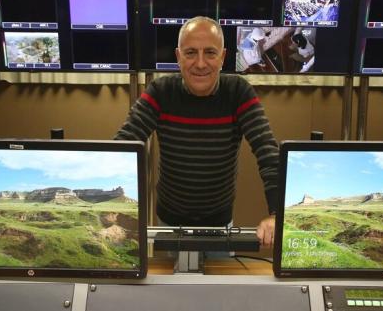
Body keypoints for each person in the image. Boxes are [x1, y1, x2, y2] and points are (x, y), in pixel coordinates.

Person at [115, 16, 278, 247]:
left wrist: (277, 213)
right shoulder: (160, 91)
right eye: (191, 52)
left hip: (220, 225)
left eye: (210, 53)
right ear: (178, 57)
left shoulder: (239, 92)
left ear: (222, 57)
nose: (200, 63)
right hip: (168, 224)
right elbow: (124, 147)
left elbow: (268, 153)